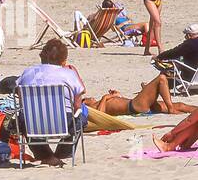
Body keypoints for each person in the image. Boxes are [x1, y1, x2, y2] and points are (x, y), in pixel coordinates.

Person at [16, 38, 85, 166]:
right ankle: (60, 154)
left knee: (23, 119)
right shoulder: (68, 74)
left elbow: (21, 103)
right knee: (82, 118)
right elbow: (77, 105)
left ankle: (46, 155)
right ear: (63, 61)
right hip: (62, 122)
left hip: (33, 124)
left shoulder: (27, 73)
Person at [86, 73, 196, 118]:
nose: (90, 97)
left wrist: (116, 95)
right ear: (85, 103)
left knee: (180, 105)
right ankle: (171, 109)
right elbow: (100, 116)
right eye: (86, 99)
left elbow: (118, 103)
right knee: (161, 78)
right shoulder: (94, 107)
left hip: (135, 103)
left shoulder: (101, 103)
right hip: (134, 106)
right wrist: (105, 97)